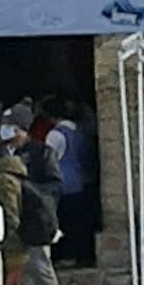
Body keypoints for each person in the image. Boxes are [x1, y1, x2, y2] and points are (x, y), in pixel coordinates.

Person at [9, 134, 67, 285]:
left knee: (41, 268)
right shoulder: (2, 151)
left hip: (34, 219)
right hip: (15, 220)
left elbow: (53, 186)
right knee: (21, 275)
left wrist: (32, 195)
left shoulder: (41, 152)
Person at [39, 106, 97, 271]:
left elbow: (49, 159)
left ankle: (67, 256)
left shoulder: (55, 134)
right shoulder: (80, 132)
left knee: (64, 222)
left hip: (63, 185)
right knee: (80, 221)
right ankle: (82, 255)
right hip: (80, 181)